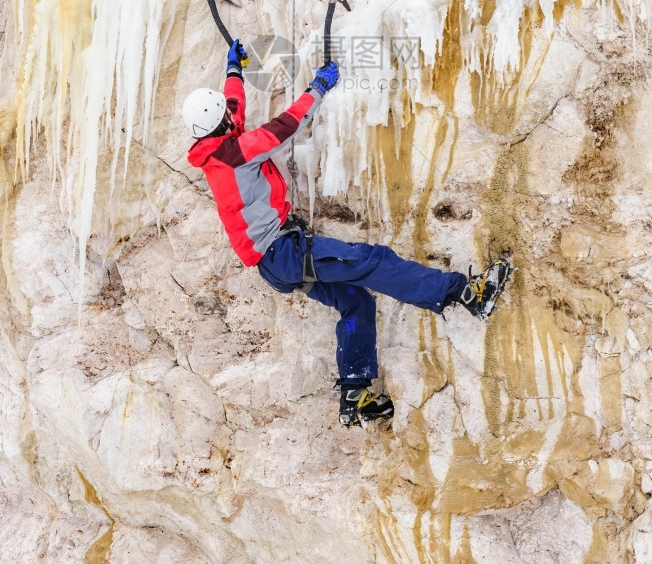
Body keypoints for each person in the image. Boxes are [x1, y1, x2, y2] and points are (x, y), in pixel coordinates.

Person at [183, 39, 511, 428]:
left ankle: (355, 393)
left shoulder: (216, 150)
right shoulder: (237, 151)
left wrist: (234, 70)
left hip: (274, 266)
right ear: (219, 126)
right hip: (284, 251)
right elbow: (285, 127)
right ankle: (464, 292)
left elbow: (232, 111)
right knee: (372, 261)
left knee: (355, 301)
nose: (231, 118)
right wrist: (317, 89)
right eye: (225, 117)